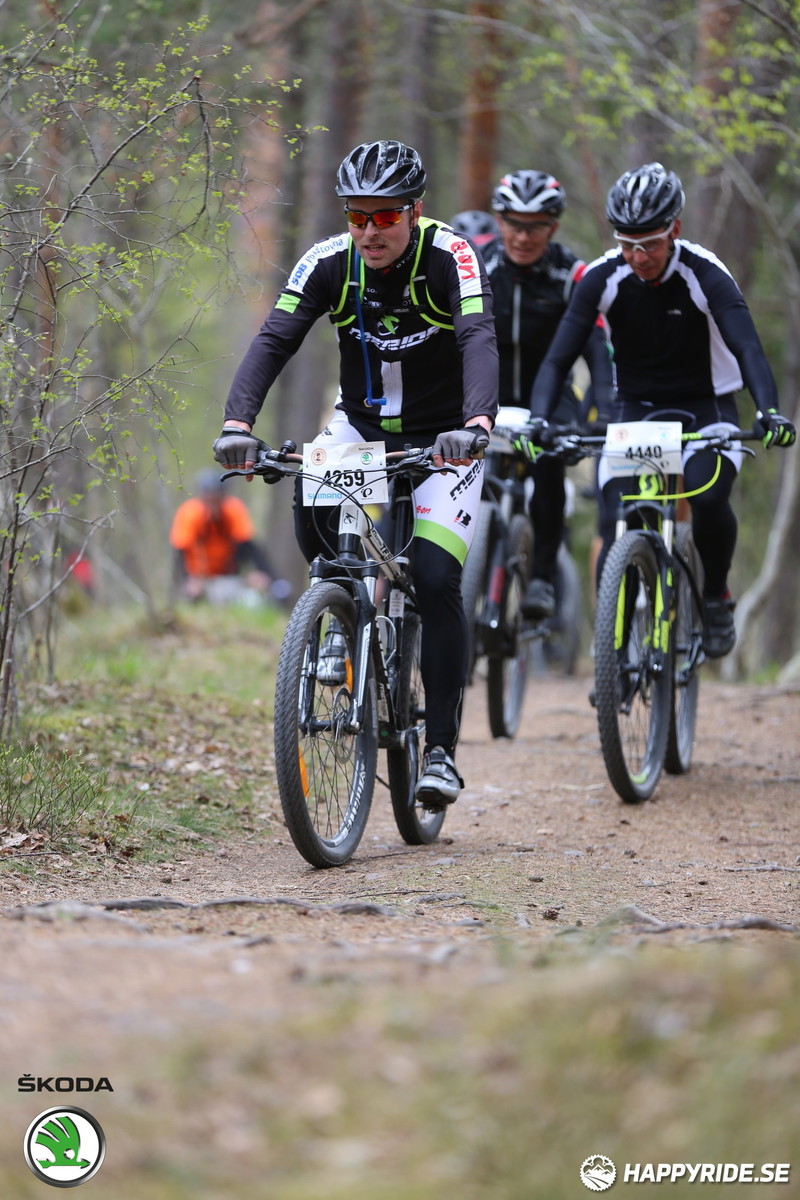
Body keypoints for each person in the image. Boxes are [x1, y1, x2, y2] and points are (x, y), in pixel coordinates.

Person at [212, 140, 498, 807]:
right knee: (312, 500)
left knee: (434, 578)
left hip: (445, 438)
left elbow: (477, 338)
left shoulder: (451, 255)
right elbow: (274, 340)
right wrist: (237, 426)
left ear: (413, 211)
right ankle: (340, 617)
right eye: (357, 216)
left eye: (385, 216)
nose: (370, 230)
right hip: (361, 430)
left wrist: (478, 425)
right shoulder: (328, 263)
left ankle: (441, 753)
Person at [525, 161, 796, 659]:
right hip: (636, 411)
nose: (637, 255)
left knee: (710, 499)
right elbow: (558, 357)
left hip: (706, 407)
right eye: (627, 243)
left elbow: (747, 348)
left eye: (649, 242)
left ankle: (715, 595)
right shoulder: (604, 276)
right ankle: (617, 655)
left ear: (675, 228)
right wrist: (540, 419)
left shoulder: (704, 272)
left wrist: (770, 411)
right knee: (613, 519)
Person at [482, 169, 613, 620]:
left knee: (550, 462)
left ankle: (540, 579)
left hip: (553, 393)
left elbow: (597, 345)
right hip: (487, 389)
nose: (522, 236)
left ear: (552, 227)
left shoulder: (570, 273)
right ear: (498, 221)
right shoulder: (478, 265)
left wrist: (603, 410)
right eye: (513, 223)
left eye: (535, 226)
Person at [170, 470, 277, 603]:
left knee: (252, 595)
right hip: (198, 578)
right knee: (194, 596)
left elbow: (248, 545)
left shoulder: (233, 509)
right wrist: (188, 580)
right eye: (209, 497)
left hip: (228, 576)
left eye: (216, 497)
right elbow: (180, 550)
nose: (212, 502)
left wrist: (263, 574)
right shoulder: (189, 513)